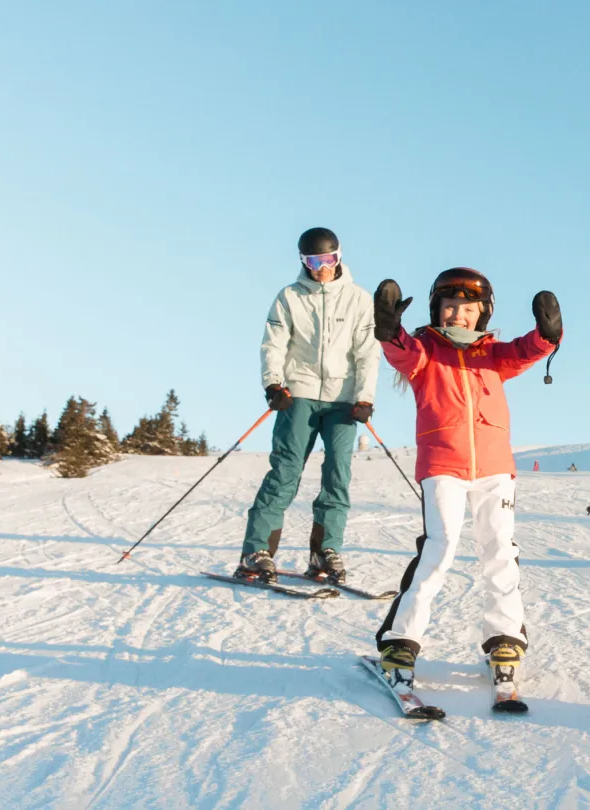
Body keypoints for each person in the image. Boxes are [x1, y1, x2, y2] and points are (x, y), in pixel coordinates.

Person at [371, 267, 561, 706]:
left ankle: (505, 639)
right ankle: (399, 644)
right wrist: (388, 329)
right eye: (451, 307)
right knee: (440, 547)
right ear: (438, 310)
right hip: (443, 464)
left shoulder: (493, 353)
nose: (458, 315)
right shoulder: (423, 352)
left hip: (495, 466)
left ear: (482, 314)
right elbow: (398, 351)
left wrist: (549, 333)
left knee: (499, 550)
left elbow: (527, 351)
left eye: (468, 309)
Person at [237, 227, 378, 585]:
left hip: (343, 401)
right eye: (313, 261)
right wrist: (273, 383)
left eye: (328, 259)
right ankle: (257, 551)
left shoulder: (359, 299)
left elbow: (367, 353)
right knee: (285, 472)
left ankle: (324, 552)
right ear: (303, 261)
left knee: (337, 475)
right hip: (298, 394)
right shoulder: (289, 297)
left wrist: (365, 397)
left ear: (339, 256)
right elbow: (274, 344)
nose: (322, 268)